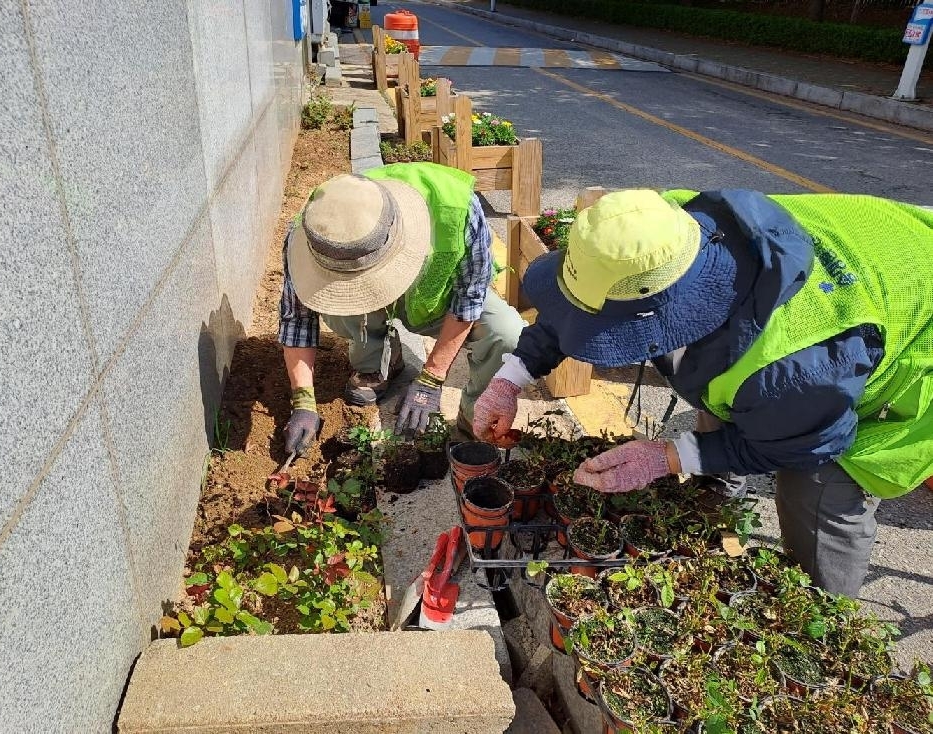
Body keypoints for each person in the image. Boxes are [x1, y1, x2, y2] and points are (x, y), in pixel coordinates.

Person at [474, 188, 933, 598]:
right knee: (730, 397)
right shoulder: (659, 234)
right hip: (877, 245)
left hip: (908, 320)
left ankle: (823, 623)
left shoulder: (793, 372)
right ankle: (716, 489)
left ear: (662, 314)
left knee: (818, 491)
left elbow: (811, 441)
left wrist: (670, 458)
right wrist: (510, 378)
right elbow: (579, 308)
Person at [280, 163, 525, 456]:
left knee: (507, 332)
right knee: (335, 308)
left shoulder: (457, 208)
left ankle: (473, 421)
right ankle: (381, 363)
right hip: (375, 308)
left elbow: (468, 297)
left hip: (437, 300)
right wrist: (303, 401)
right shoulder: (313, 231)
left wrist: (431, 379)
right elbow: (298, 318)